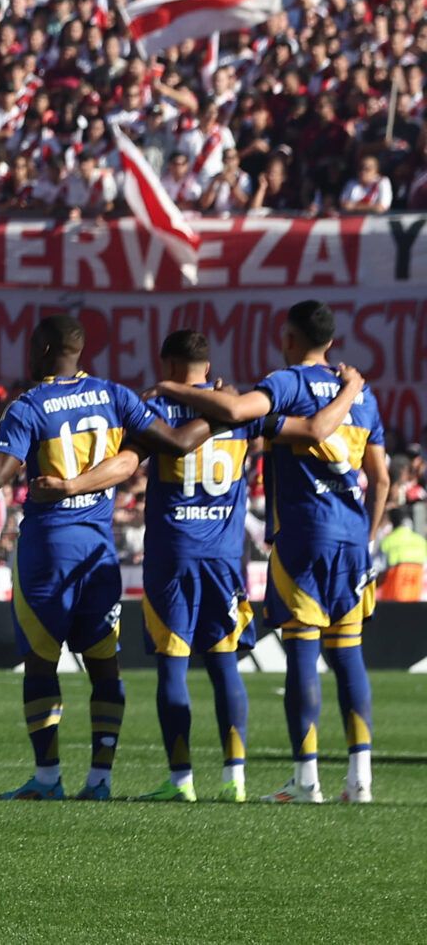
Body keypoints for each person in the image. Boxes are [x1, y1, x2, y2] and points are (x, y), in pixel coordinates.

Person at [0, 314, 212, 800]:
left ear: (41, 351)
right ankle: (100, 779)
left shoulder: (30, 406)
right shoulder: (116, 396)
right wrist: (227, 412)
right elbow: (180, 442)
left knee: (42, 664)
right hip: (99, 553)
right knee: (105, 667)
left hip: (47, 554)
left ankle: (46, 778)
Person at [37, 331, 348, 801]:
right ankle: (235, 779)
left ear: (167, 362)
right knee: (225, 665)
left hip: (172, 556)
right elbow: (310, 432)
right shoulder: (239, 410)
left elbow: (124, 465)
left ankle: (180, 780)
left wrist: (72, 485)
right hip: (224, 558)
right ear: (207, 365)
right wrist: (350, 390)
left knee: (173, 667)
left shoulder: (156, 412)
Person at [150, 301, 391, 803]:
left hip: (303, 537)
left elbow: (239, 413)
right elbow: (382, 476)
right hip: (350, 541)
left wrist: (173, 389)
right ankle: (360, 781)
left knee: (303, 653)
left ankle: (306, 781)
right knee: (348, 657)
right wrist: (366, 534)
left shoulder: (286, 384)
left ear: (288, 336)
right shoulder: (363, 396)